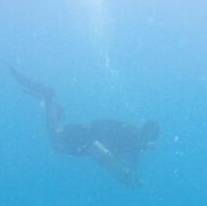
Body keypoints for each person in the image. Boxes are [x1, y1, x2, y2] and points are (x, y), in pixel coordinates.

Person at [11, 67, 160, 186]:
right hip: (85, 138)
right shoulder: (132, 138)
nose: (149, 145)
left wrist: (131, 174)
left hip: (85, 136)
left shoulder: (133, 139)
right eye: (150, 139)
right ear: (146, 134)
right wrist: (128, 175)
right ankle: (49, 97)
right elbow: (118, 162)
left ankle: (54, 105)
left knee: (57, 141)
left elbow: (129, 166)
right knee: (56, 141)